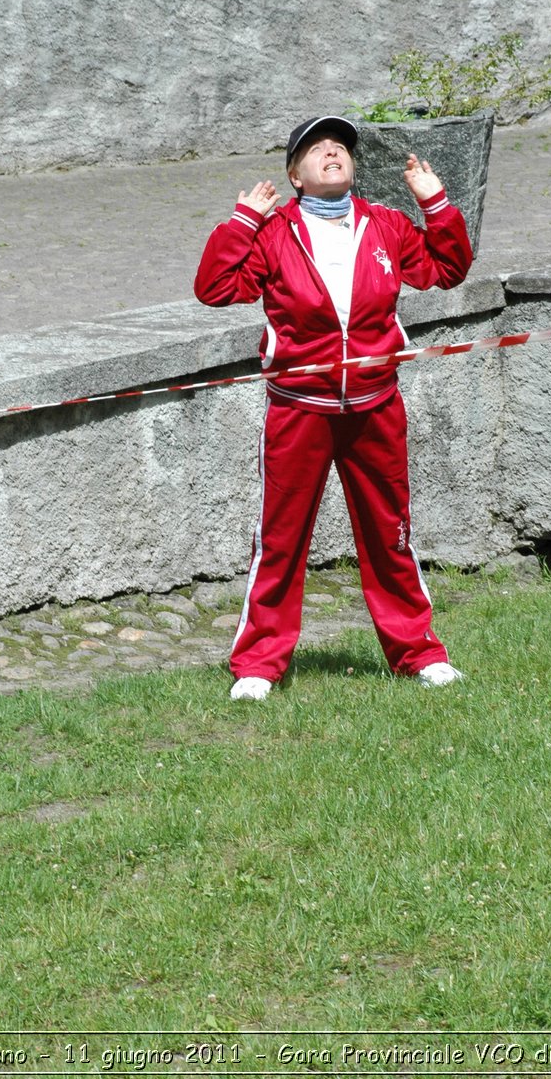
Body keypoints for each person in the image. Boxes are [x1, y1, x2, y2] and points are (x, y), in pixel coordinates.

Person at [194, 115, 473, 700]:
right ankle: (258, 665)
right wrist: (244, 221)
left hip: (376, 405)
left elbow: (448, 269)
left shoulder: (388, 225)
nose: (332, 153)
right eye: (316, 149)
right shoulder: (274, 234)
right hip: (299, 412)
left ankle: (418, 653)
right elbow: (215, 288)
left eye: (341, 148)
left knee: (390, 534)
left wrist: (437, 205)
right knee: (280, 539)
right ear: (294, 176)